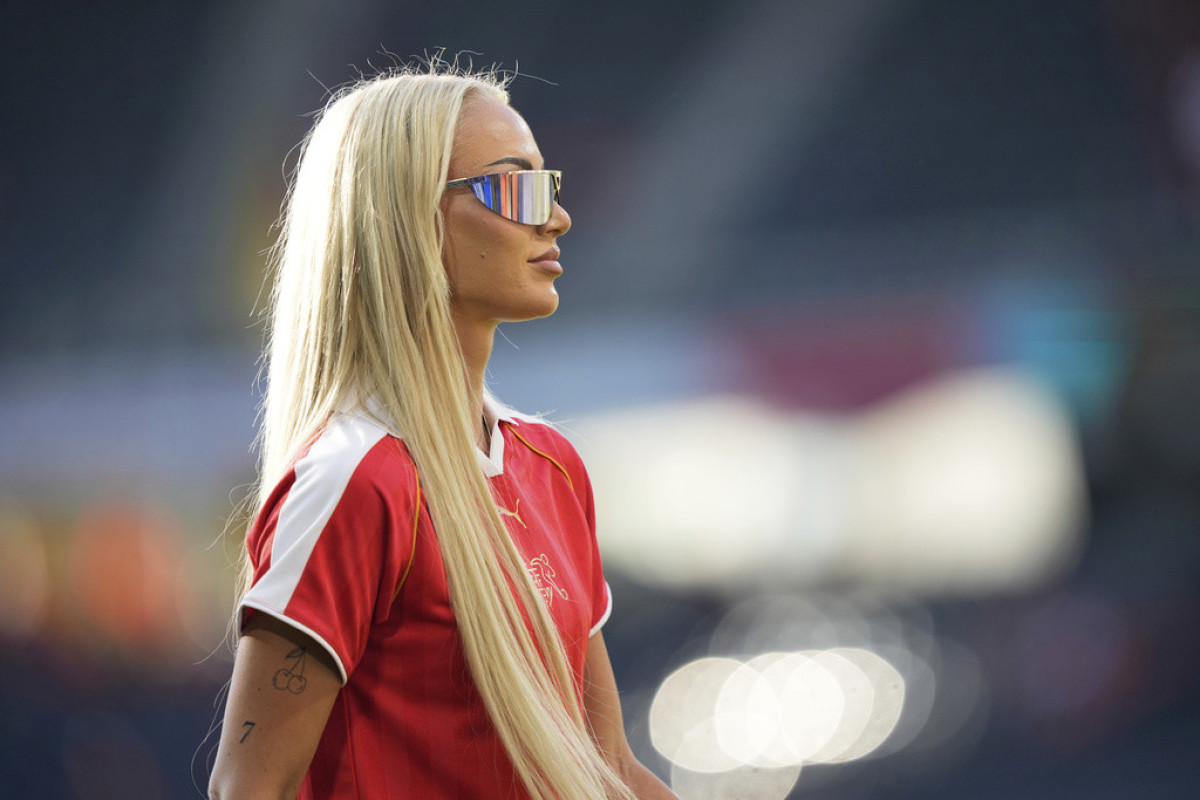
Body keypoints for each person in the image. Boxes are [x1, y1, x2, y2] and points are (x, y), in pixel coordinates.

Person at [207, 63, 677, 800]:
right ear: (412, 218)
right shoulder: (355, 480)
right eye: (515, 188)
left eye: (548, 186)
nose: (557, 218)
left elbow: (607, 767)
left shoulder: (552, 465)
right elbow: (247, 789)